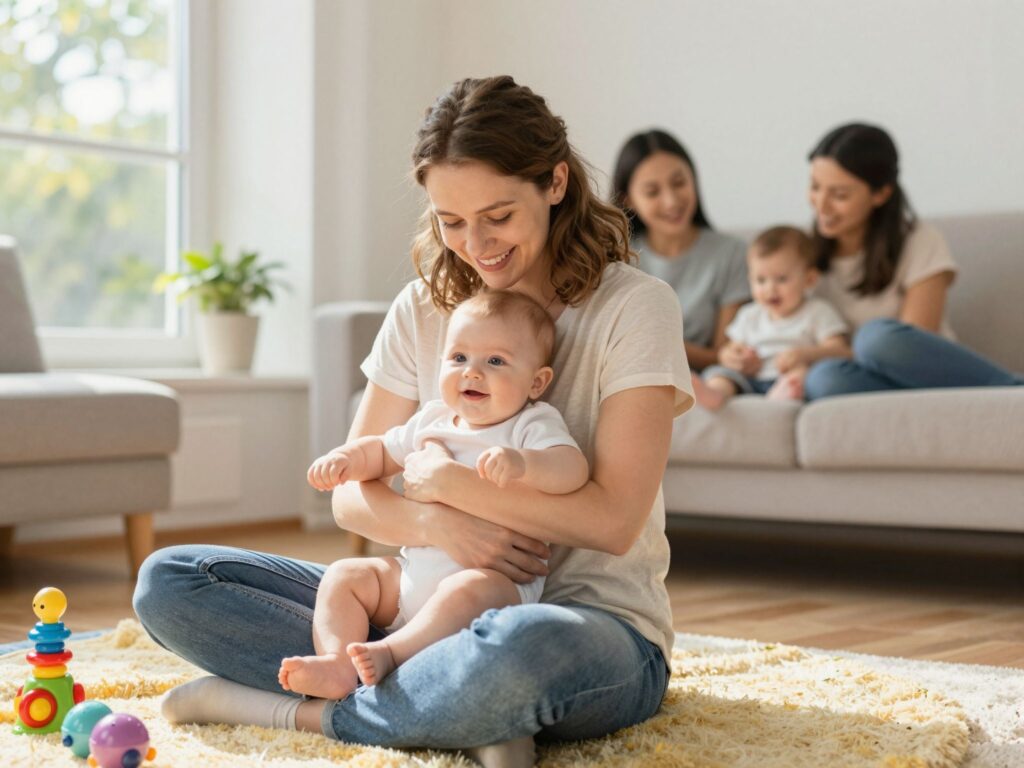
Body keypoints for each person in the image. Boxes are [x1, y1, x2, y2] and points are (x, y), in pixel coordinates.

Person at [133, 75, 693, 768]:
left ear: (554, 183)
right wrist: (437, 523)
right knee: (174, 581)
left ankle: (292, 712)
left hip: (583, 625)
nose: (475, 245)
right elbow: (350, 495)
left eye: (497, 215)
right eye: (450, 221)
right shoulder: (422, 310)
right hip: (413, 613)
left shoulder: (635, 308)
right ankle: (455, 709)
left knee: (518, 654)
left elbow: (613, 520)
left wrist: (448, 485)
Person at [280, 290, 589, 700]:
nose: (472, 373)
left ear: (537, 381)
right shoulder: (432, 420)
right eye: (458, 358)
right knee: (345, 574)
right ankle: (338, 664)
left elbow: (573, 470)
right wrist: (346, 458)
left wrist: (525, 464)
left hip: (494, 585)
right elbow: (381, 450)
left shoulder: (530, 425)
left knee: (469, 590)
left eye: (495, 361)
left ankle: (391, 652)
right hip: (410, 578)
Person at [803, 122, 1023, 399]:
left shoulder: (920, 240)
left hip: (925, 374)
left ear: (881, 194)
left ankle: (1013, 394)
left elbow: (915, 340)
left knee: (876, 340)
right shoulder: (801, 254)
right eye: (815, 187)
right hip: (865, 383)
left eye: (839, 195)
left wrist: (832, 351)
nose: (821, 205)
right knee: (824, 379)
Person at [612, 129, 749, 371]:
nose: (672, 201)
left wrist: (653, 340)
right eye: (653, 192)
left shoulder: (733, 253)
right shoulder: (616, 259)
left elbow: (722, 356)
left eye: (679, 183)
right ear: (628, 200)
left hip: (706, 382)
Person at [692, 226, 850, 410]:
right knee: (719, 372)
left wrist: (805, 354)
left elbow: (841, 350)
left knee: (801, 373)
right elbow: (729, 348)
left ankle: (780, 397)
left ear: (809, 279)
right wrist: (735, 357)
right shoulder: (749, 314)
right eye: (760, 280)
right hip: (749, 379)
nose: (770, 289)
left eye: (781, 279)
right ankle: (716, 394)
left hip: (786, 377)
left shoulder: (818, 311)